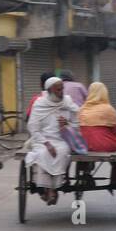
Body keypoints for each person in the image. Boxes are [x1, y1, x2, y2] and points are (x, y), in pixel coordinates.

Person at [25, 76, 79, 205]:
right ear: (50, 91)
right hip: (41, 140)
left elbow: (78, 122)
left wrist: (67, 123)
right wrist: (47, 144)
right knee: (43, 153)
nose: (62, 92)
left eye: (62, 89)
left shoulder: (67, 101)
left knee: (62, 151)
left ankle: (54, 189)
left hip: (61, 140)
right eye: (58, 90)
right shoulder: (39, 103)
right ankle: (48, 189)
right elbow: (33, 128)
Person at [78, 81, 116, 188]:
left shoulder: (82, 109)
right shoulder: (108, 109)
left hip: (84, 145)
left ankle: (86, 173)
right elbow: (115, 130)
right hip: (103, 144)